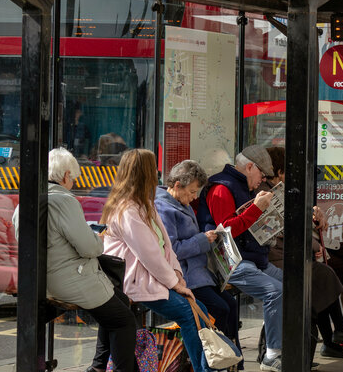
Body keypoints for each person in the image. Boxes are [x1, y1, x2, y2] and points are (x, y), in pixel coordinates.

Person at [13, 148, 138, 372]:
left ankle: (98, 367)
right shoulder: (64, 201)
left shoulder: (25, 202)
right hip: (71, 281)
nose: (74, 183)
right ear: (65, 176)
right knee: (124, 321)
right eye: (74, 178)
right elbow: (89, 248)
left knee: (119, 302)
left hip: (41, 280)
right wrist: (97, 238)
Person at [101, 149, 211, 372]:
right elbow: (149, 254)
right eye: (153, 169)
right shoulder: (128, 210)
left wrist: (177, 273)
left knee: (200, 310)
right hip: (137, 281)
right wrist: (175, 283)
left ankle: (207, 367)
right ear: (144, 173)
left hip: (154, 278)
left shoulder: (145, 205)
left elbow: (166, 246)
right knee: (190, 314)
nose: (158, 173)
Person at [258, 147, 343, 360]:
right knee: (321, 275)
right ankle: (337, 332)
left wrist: (313, 212)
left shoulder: (277, 190)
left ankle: (337, 333)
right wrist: (312, 236)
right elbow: (286, 227)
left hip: (287, 253)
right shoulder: (267, 193)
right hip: (278, 257)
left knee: (325, 273)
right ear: (279, 172)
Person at [195, 145, 285, 371]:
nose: (262, 180)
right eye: (261, 175)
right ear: (250, 167)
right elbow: (226, 231)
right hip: (229, 263)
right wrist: (256, 209)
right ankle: (272, 354)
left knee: (289, 285)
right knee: (274, 290)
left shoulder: (242, 186)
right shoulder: (221, 189)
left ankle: (275, 344)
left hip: (251, 258)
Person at [154, 160, 243, 358]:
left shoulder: (179, 202)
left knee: (231, 305)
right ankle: (218, 357)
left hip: (199, 273)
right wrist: (202, 240)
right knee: (219, 308)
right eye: (192, 192)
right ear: (177, 185)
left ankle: (233, 357)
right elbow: (172, 249)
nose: (194, 197)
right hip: (185, 277)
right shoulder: (164, 209)